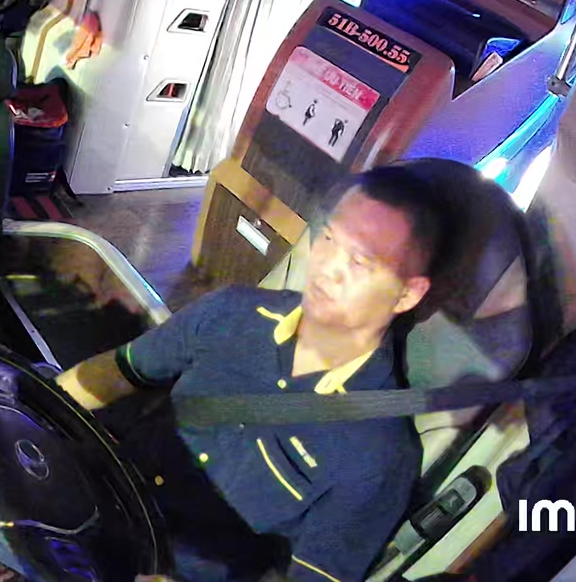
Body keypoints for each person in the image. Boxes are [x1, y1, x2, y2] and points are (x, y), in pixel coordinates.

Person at [55, 166, 449, 581]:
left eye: (360, 261)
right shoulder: (232, 311)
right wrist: (30, 406)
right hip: (90, 500)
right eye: (329, 239)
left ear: (407, 294)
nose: (327, 269)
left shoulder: (378, 453)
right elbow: (119, 372)